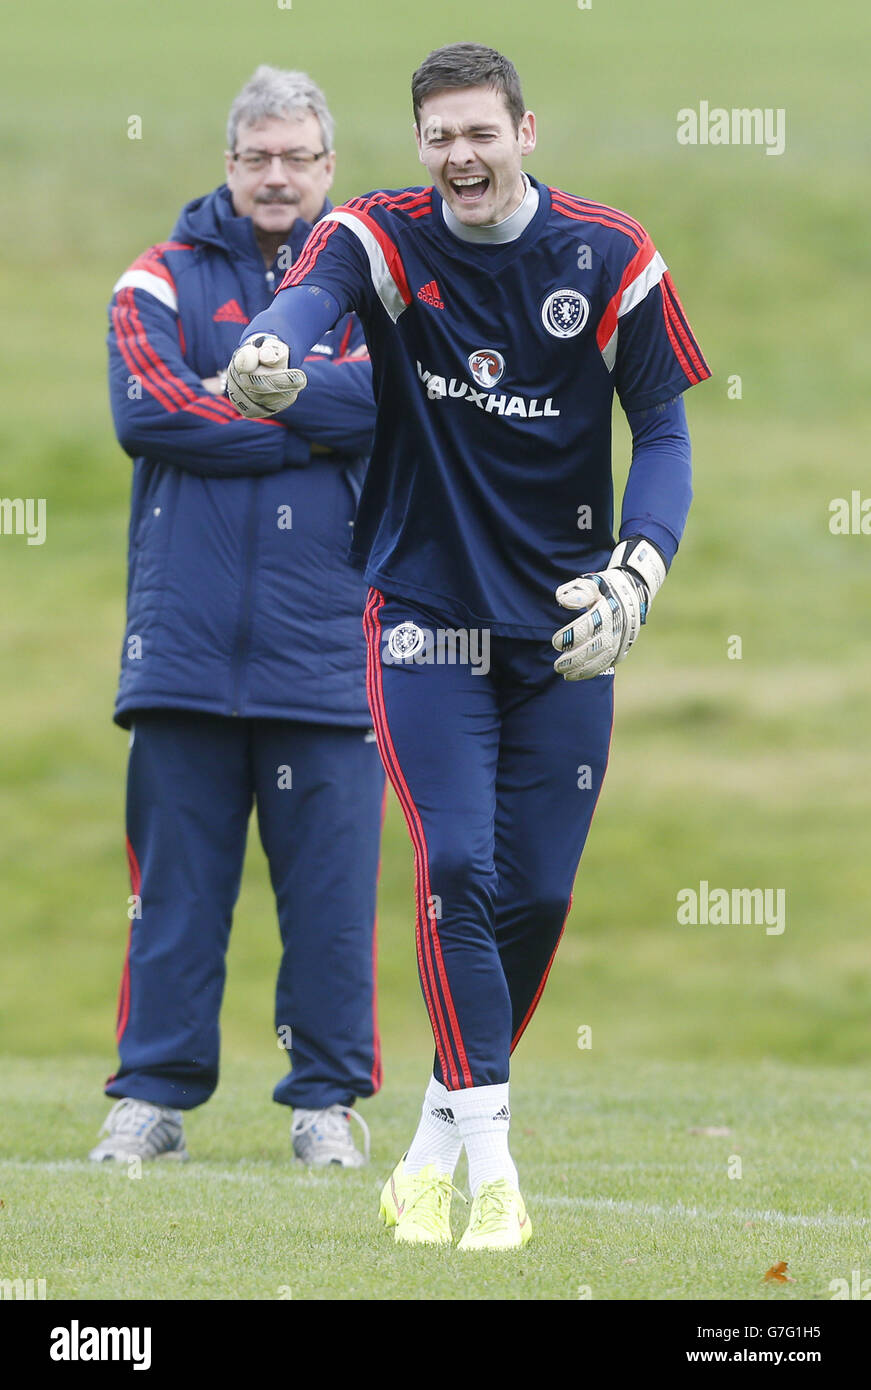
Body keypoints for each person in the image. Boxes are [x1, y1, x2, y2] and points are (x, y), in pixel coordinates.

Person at [227, 43, 710, 1244]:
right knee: (455, 870)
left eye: (479, 133)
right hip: (426, 618)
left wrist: (638, 573)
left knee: (535, 891)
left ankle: (435, 1133)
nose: (459, 157)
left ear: (524, 132)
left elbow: (662, 432)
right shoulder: (381, 237)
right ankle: (490, 1169)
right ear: (419, 144)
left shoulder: (609, 255)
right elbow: (312, 296)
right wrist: (274, 346)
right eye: (438, 135)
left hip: (566, 632)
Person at [92, 66, 384, 1169]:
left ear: (327, 168)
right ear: (229, 163)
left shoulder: (372, 289)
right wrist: (307, 419)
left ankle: (325, 1108)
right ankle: (151, 1102)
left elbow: (389, 407)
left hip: (330, 649)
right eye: (256, 156)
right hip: (182, 650)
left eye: (296, 157)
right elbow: (146, 411)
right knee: (171, 897)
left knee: (331, 903)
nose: (276, 175)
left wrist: (246, 399)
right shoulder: (155, 278)